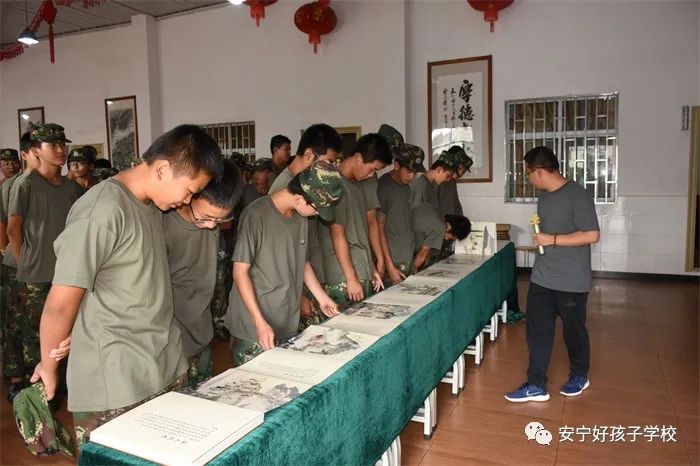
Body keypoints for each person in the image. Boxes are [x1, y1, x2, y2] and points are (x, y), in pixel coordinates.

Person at [30, 124, 223, 447]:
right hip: (117, 382)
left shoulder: (151, 205)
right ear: (162, 169)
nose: (188, 200)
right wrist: (49, 368)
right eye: (189, 191)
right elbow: (60, 303)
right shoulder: (102, 210)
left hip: (162, 363)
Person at [505, 146, 600, 403]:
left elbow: (592, 235)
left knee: (573, 332)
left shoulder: (578, 195)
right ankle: (536, 383)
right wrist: (541, 240)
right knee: (537, 330)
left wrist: (553, 239)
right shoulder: (544, 196)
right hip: (542, 276)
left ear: (539, 171)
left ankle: (579, 375)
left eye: (528, 174)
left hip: (571, 280)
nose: (528, 179)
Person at [225, 160, 343, 365]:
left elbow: (302, 261)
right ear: (300, 198)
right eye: (317, 209)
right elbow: (239, 272)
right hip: (255, 327)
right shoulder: (256, 215)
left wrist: (322, 297)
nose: (317, 214)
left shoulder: (300, 217)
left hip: (285, 321)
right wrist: (259, 322)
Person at [5, 124, 81, 397]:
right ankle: (37, 391)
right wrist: (24, 263)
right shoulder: (26, 184)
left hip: (66, 272)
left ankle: (61, 386)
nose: (61, 150)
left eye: (62, 144)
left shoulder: (71, 187)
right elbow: (13, 229)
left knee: (65, 333)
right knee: (35, 336)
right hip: (36, 274)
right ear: (36, 150)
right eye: (53, 145)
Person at [164, 159, 243, 388]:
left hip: (202, 336)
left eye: (219, 219)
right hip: (173, 346)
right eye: (206, 217)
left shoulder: (210, 223)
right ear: (190, 195)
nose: (211, 226)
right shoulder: (163, 225)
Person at [268, 124, 342, 329]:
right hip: (293, 287)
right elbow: (281, 254)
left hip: (308, 274)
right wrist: (300, 295)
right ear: (309, 154)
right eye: (327, 162)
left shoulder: (312, 187)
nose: (330, 169)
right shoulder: (284, 190)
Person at [319, 134, 392, 309]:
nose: (371, 175)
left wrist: (371, 268)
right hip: (344, 279)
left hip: (360, 272)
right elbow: (337, 234)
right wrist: (351, 278)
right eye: (371, 169)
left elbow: (360, 234)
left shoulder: (357, 186)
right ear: (358, 157)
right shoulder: (335, 185)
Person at [377, 143, 425, 284]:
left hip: (406, 258)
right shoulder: (383, 187)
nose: (412, 176)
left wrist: (412, 263)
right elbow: (378, 228)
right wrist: (389, 266)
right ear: (396, 165)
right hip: (392, 261)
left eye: (415, 173)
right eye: (409, 171)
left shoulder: (406, 187)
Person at [411, 203, 471, 271]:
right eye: (450, 237)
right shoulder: (440, 228)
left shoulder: (433, 210)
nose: (446, 238)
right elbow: (423, 252)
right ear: (449, 227)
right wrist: (412, 271)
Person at [437, 145, 473, 218]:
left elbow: (456, 206)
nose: (461, 174)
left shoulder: (452, 181)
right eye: (460, 168)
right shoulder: (437, 181)